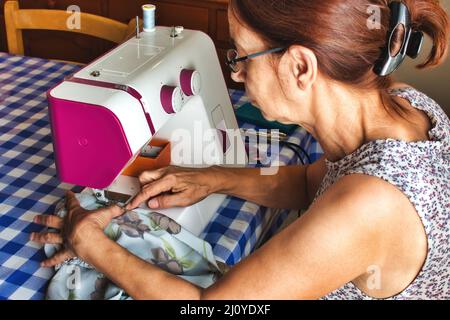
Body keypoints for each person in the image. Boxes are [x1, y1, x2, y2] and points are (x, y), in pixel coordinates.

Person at [32, 0, 449, 299]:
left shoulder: (369, 203)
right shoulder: (405, 104)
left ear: (299, 67)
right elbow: (308, 181)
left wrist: (91, 244)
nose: (235, 72)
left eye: (242, 56)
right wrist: (212, 179)